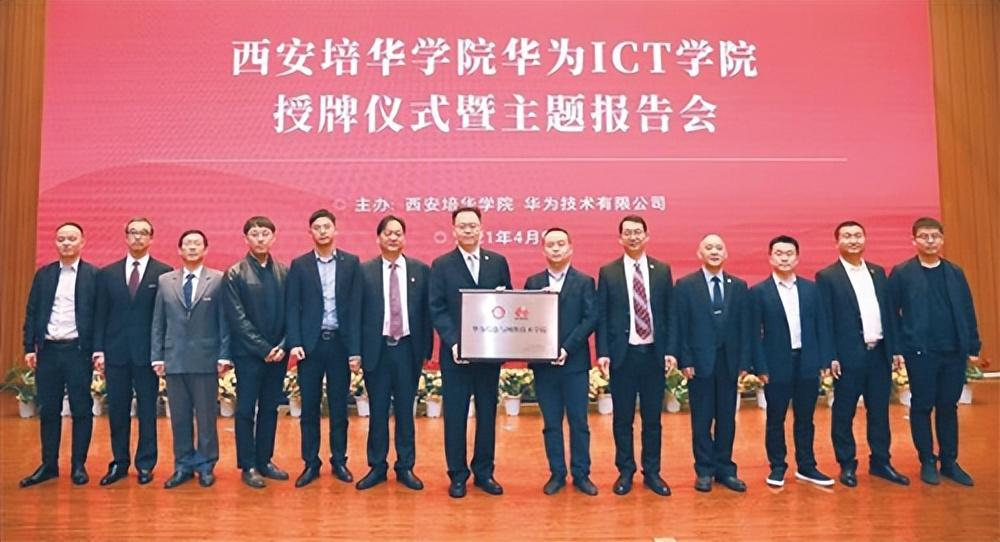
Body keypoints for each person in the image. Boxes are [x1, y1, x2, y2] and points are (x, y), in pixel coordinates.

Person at [816, 220, 909, 487]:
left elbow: (889, 314)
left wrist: (895, 348)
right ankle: (847, 464)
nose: (853, 240)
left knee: (879, 411)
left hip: (879, 354)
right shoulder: (827, 276)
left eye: (858, 235)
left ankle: (881, 461)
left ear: (865, 239)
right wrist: (830, 355)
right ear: (837, 242)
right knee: (844, 412)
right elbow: (825, 319)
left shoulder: (878, 272)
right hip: (847, 357)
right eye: (847, 236)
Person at [889, 217, 980, 486]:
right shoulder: (902, 273)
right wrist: (898, 347)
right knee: (922, 405)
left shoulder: (954, 272)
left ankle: (949, 461)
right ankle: (927, 460)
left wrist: (972, 345)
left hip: (953, 351)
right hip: (921, 352)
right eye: (924, 236)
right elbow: (891, 314)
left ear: (942, 240)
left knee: (948, 407)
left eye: (935, 236)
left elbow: (967, 310)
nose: (930, 241)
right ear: (914, 240)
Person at [429, 207, 512, 498]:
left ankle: (484, 472)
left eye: (473, 225)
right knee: (455, 415)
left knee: (487, 413)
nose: (468, 230)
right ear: (453, 231)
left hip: (489, 355)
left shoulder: (497, 262)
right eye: (462, 226)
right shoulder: (442, 265)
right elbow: (437, 308)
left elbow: (507, 304)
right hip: (456, 356)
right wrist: (455, 343)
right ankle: (457, 474)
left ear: (481, 229)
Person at [596, 215, 674, 497]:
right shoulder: (609, 272)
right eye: (627, 232)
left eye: (638, 232)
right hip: (623, 355)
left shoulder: (662, 270)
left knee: (652, 419)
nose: (633, 237)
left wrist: (670, 351)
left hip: (653, 354)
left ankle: (652, 472)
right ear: (620, 238)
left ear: (646, 236)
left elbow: (670, 314)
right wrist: (603, 352)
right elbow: (602, 315)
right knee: (623, 419)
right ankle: (625, 471)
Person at [286, 209, 363, 488]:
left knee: (339, 407)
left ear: (335, 230)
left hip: (340, 344)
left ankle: (339, 460)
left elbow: (356, 309)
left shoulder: (351, 263)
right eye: (317, 227)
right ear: (310, 232)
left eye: (326, 226)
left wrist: (355, 350)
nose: (322, 231)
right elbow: (292, 306)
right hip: (311, 345)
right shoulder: (300, 265)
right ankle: (311, 462)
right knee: (309, 407)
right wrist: (295, 342)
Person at [355, 215, 433, 491]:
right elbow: (355, 315)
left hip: (408, 350)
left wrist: (426, 350)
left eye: (398, 233)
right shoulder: (364, 271)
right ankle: (377, 466)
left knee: (405, 410)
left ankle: (405, 466)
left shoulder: (420, 270)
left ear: (404, 238)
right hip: (376, 350)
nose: (393, 237)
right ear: (378, 238)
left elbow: (427, 313)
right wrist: (355, 351)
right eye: (387, 233)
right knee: (377, 411)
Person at [93, 217, 172, 486]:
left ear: (151, 238)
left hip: (148, 355)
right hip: (115, 353)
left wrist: (162, 352)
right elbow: (100, 315)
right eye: (133, 232)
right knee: (117, 410)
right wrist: (99, 350)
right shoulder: (108, 273)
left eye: (143, 233)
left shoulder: (164, 273)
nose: (138, 237)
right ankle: (119, 462)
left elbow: (165, 318)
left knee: (148, 411)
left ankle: (146, 464)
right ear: (126, 237)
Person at [750, 235, 834, 487]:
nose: (784, 258)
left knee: (806, 417)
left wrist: (824, 360)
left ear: (797, 258)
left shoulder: (811, 289)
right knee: (776, 418)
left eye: (789, 254)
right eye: (779, 253)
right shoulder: (759, 292)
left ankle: (807, 466)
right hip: (776, 364)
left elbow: (822, 326)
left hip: (807, 361)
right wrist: (760, 366)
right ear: (770, 258)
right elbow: (753, 334)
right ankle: (777, 466)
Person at [20, 222, 99, 488]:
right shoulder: (44, 275)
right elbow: (32, 311)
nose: (66, 243)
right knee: (49, 409)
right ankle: (49, 465)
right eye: (61, 239)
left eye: (72, 238)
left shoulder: (93, 275)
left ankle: (78, 465)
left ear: (82, 242)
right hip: (49, 350)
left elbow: (100, 316)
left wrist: (98, 350)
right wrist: (29, 347)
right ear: (55, 243)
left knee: (81, 409)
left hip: (78, 351)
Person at [151, 229, 231, 489]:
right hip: (174, 358)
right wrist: (157, 356)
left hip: (206, 358)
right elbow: (158, 321)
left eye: (197, 243)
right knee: (179, 417)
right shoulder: (165, 281)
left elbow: (224, 321)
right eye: (187, 243)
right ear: (179, 250)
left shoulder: (218, 279)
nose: (192, 247)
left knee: (206, 418)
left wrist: (224, 355)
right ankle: (183, 465)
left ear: (206, 249)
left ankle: (206, 465)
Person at [673, 234, 753, 493]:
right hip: (699, 363)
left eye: (719, 247)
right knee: (702, 419)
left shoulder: (738, 286)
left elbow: (745, 327)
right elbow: (681, 325)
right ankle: (704, 470)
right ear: (700, 253)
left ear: (726, 253)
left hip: (729, 362)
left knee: (727, 419)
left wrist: (744, 361)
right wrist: (685, 359)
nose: (714, 251)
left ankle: (726, 469)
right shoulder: (686, 285)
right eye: (709, 247)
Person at [524, 227, 599, 496]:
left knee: (579, 422)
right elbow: (524, 320)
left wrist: (567, 348)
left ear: (570, 248)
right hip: (543, 366)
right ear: (543, 249)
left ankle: (581, 473)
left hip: (574, 363)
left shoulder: (585, 281)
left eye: (560, 244)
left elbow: (590, 319)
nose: (556, 249)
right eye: (550, 244)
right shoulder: (533, 282)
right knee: (551, 423)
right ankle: (557, 473)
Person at [223, 216, 290, 489]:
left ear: (274, 238)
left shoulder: (285, 272)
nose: (260, 238)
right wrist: (263, 348)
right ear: (245, 239)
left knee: (270, 408)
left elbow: (293, 313)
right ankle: (248, 465)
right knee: (246, 410)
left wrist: (283, 345)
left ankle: (265, 460)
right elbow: (237, 319)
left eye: (265, 234)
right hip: (249, 354)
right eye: (254, 234)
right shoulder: (235, 273)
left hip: (278, 355)